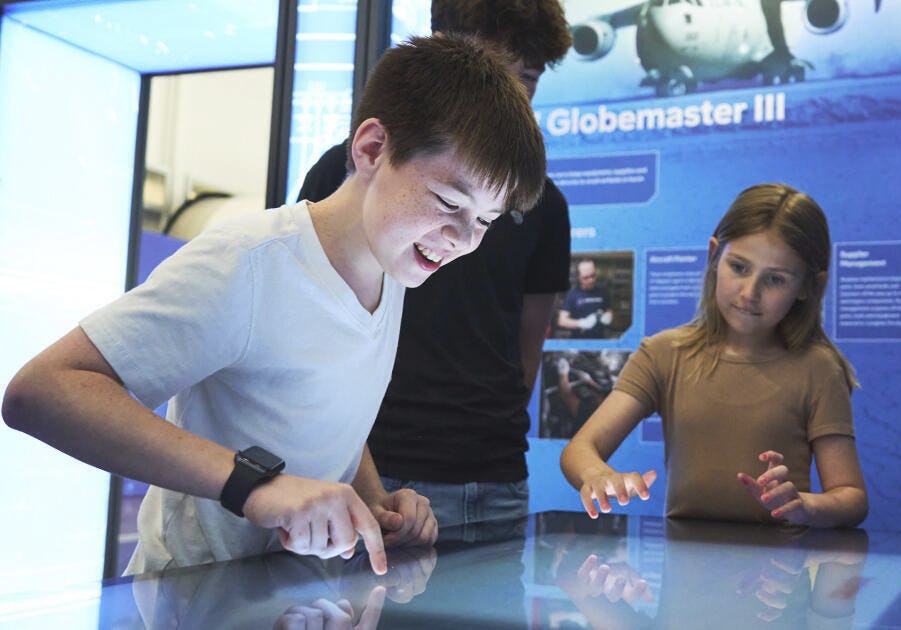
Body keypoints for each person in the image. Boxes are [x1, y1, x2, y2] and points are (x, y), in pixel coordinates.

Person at [1, 34, 546, 576]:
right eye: (449, 202)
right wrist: (255, 485)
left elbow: (319, 414)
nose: (461, 239)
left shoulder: (393, 266)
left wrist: (376, 502)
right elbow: (42, 390)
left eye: (484, 221)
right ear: (373, 149)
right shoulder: (251, 262)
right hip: (191, 594)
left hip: (290, 597)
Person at [296, 0, 573, 528]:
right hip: (375, 468)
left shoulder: (544, 205)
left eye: (527, 80)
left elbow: (526, 351)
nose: (511, 98)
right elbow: (310, 326)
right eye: (496, 73)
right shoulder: (346, 170)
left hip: (496, 474)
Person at [560, 183, 869, 528]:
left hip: (780, 575)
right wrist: (598, 475)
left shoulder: (818, 369)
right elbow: (580, 449)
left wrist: (805, 506)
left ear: (809, 286)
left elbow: (851, 496)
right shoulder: (664, 354)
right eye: (739, 267)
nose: (750, 293)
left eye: (776, 279)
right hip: (685, 572)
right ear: (713, 256)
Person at [557, 258, 614, 338]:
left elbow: (609, 310)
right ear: (579, 277)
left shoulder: (603, 292)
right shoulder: (572, 295)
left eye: (593, 276)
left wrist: (609, 316)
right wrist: (581, 323)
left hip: (599, 342)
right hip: (578, 343)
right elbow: (562, 321)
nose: (591, 280)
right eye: (586, 277)